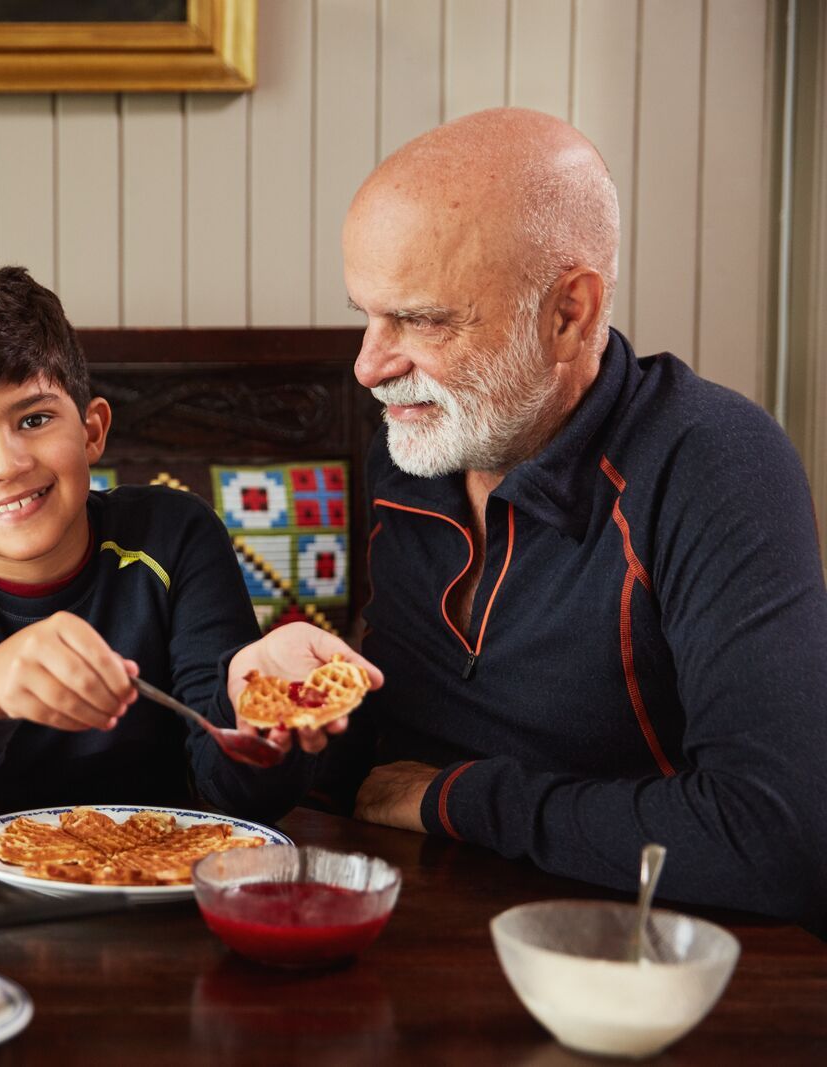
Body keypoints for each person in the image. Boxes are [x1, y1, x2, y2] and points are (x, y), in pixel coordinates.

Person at [248, 107, 827, 927]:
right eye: (365, 314)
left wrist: (455, 798)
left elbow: (779, 837)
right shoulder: (414, 442)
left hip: (625, 948)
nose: (368, 366)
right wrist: (271, 705)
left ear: (568, 315)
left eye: (423, 319)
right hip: (404, 923)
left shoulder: (714, 462)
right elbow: (380, 747)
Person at [0, 266, 378, 821]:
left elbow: (238, 796)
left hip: (160, 864)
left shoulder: (175, 537)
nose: (7, 465)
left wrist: (260, 718)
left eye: (35, 419)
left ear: (92, 431)